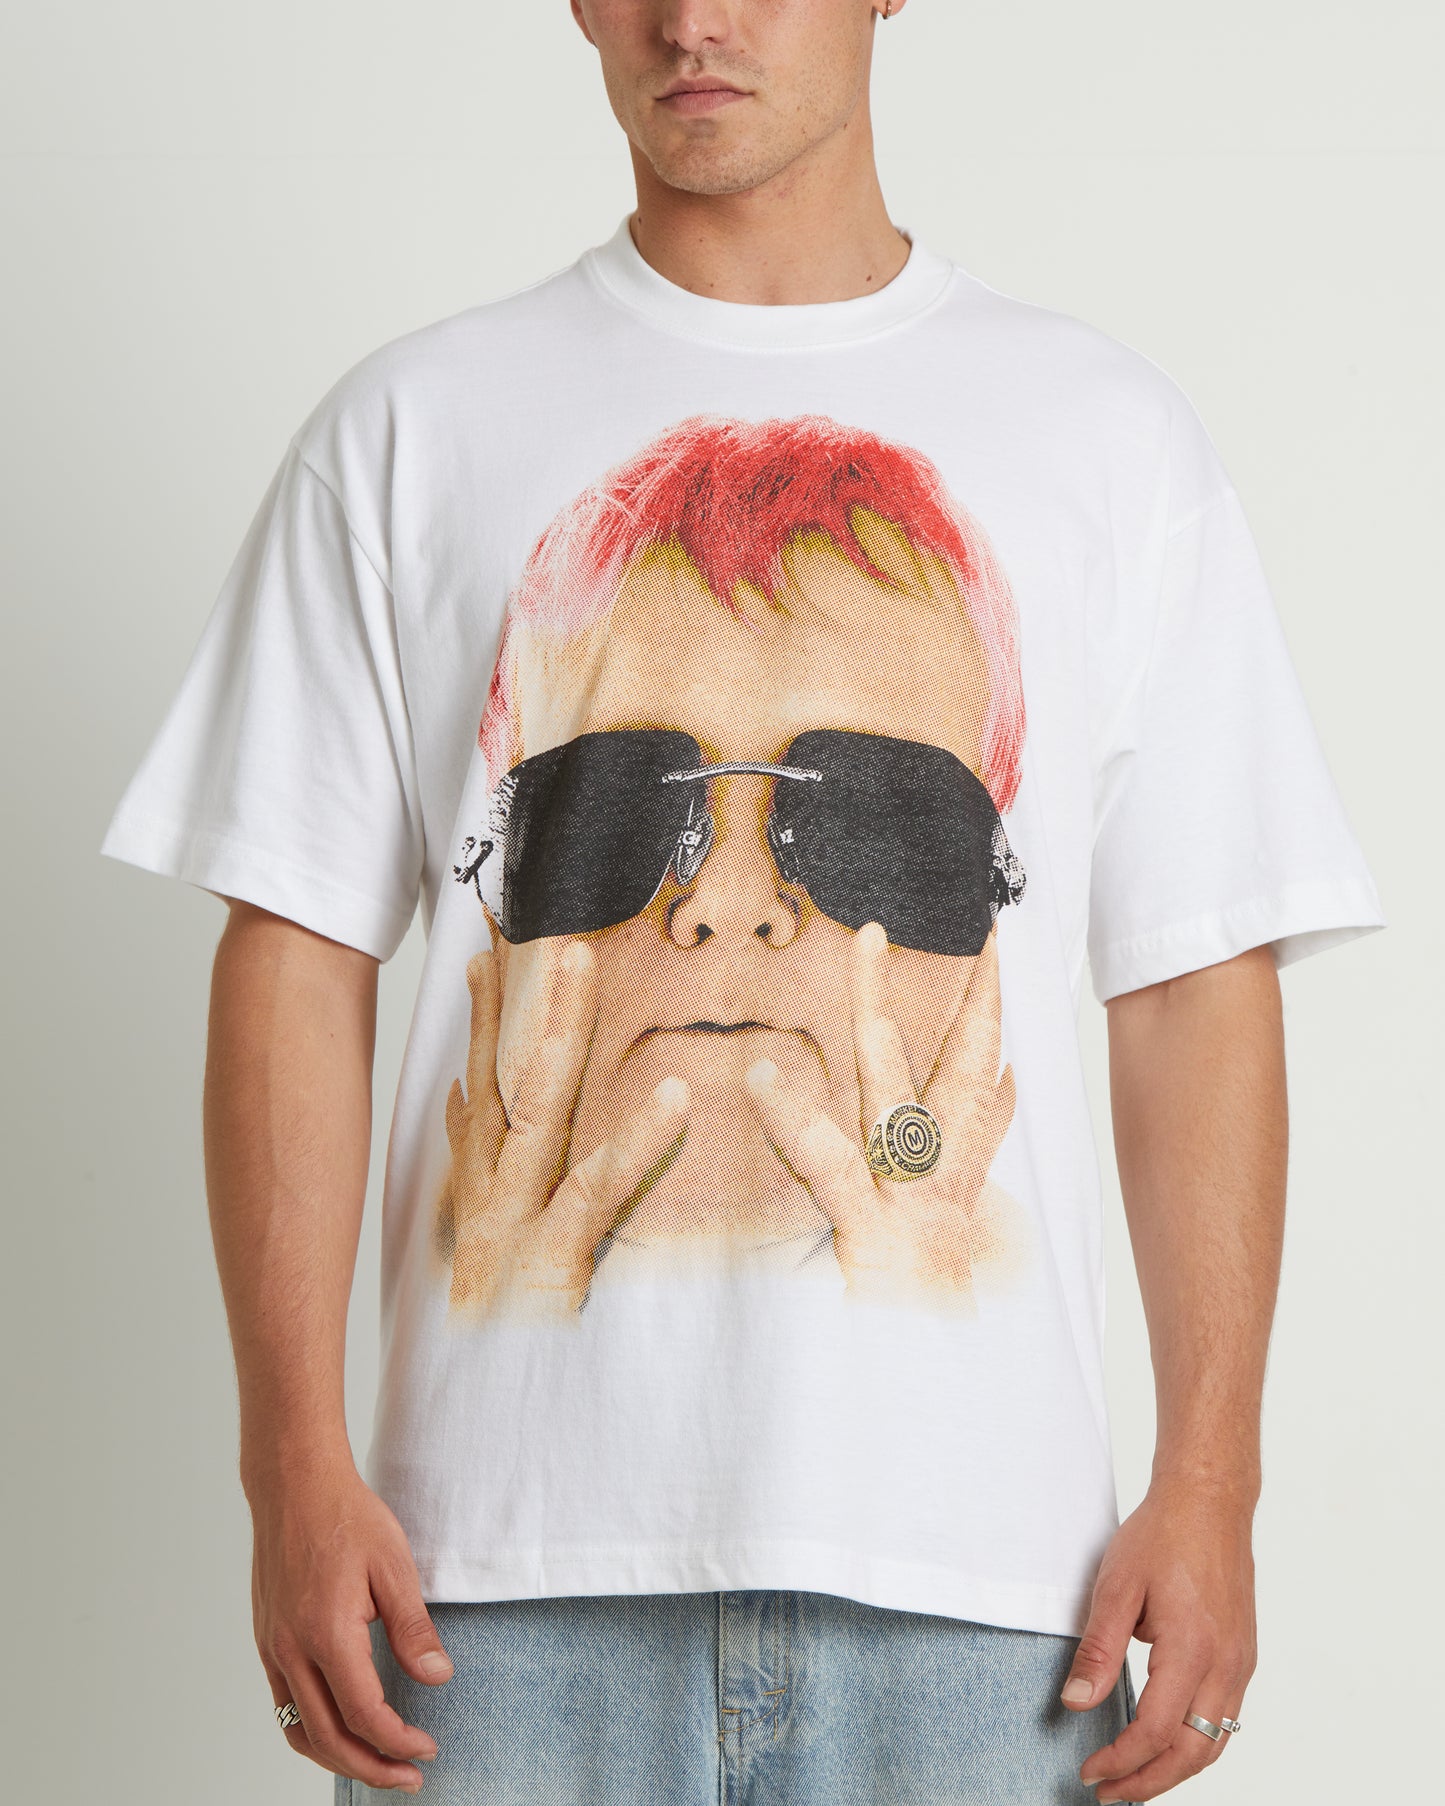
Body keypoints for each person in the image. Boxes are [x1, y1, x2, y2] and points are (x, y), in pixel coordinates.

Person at [98, 3, 1386, 1802]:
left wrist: (1212, 1481)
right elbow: (296, 948)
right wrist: (292, 1466)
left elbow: (1190, 980)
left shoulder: (1109, 440)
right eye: (617, 808)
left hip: (995, 1609)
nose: (724, 908)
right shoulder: (407, 430)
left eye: (877, 825)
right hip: (487, 1606)